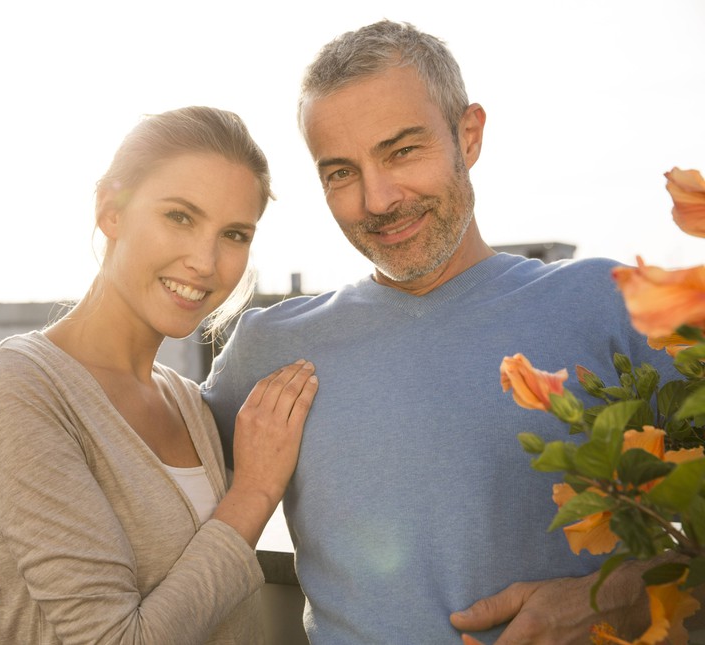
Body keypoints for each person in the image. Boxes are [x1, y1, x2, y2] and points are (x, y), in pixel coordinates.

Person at [198, 20, 702, 644]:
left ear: (468, 135)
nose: (378, 200)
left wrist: (619, 597)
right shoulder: (269, 347)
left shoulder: (616, 303)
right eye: (340, 173)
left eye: (402, 151)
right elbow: (140, 490)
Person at [0, 105, 318, 644]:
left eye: (235, 234)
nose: (205, 260)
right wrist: (254, 492)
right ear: (111, 210)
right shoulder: (20, 387)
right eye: (180, 216)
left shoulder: (187, 402)